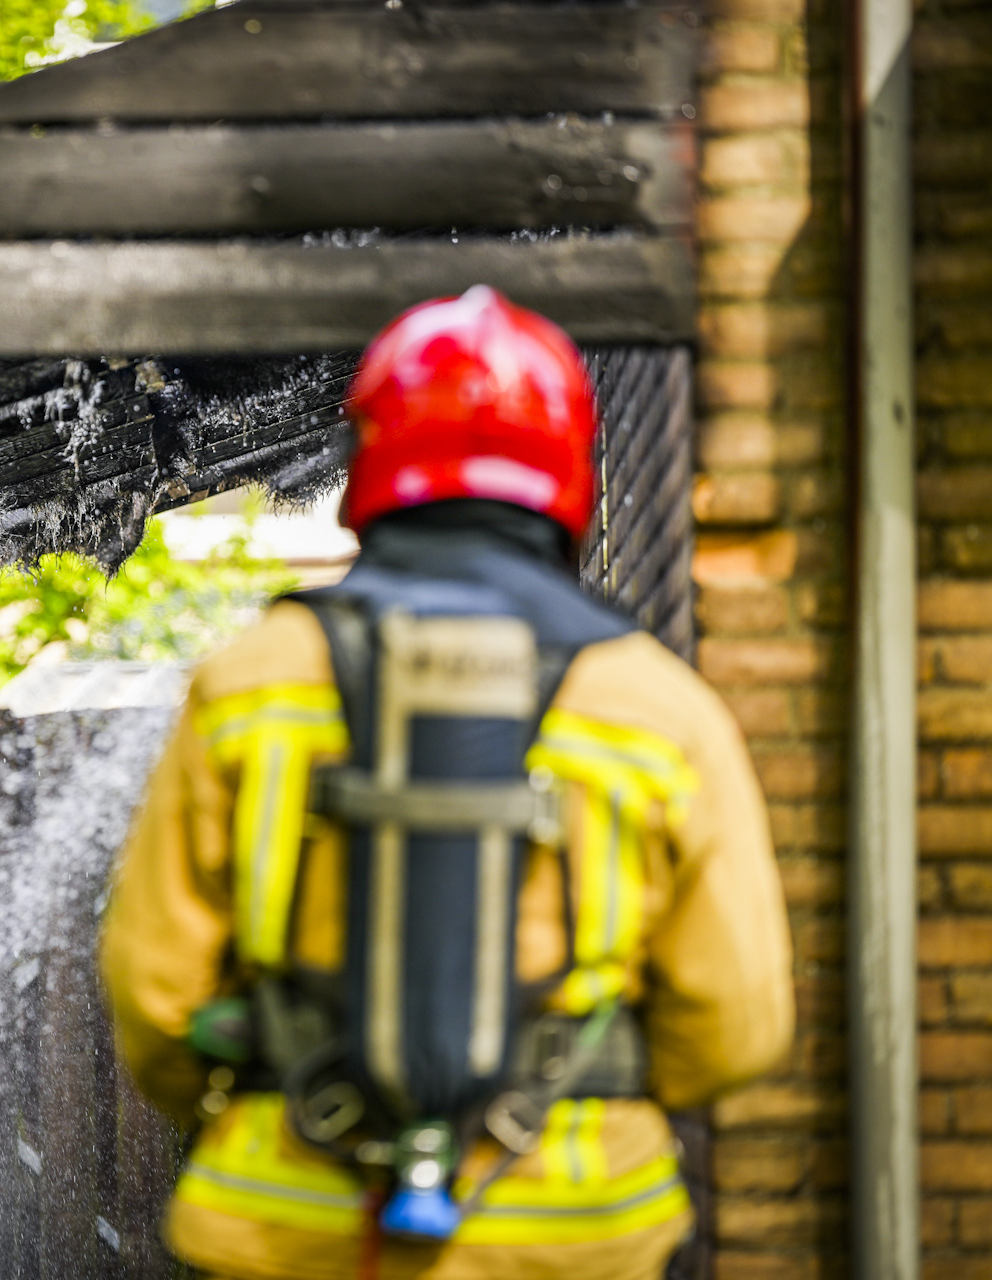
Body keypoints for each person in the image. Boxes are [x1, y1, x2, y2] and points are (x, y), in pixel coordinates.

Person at [99, 287, 793, 1280]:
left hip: (289, 1228)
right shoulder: (658, 705)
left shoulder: (250, 680)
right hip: (578, 1234)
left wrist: (275, 1089)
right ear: (569, 470)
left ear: (367, 464)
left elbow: (156, 989)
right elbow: (737, 1022)